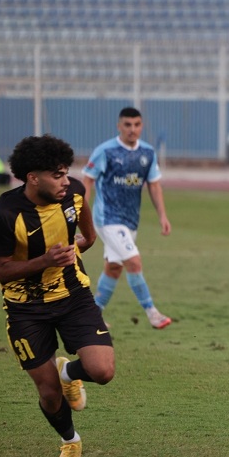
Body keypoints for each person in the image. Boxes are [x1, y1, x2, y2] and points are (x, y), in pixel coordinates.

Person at [0, 134, 115, 457]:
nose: (65, 180)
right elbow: (0, 271)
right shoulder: (4, 214)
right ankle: (70, 441)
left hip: (72, 294)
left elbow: (83, 216)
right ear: (33, 178)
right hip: (25, 307)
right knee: (47, 392)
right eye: (56, 175)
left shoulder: (72, 191)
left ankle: (68, 371)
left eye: (65, 172)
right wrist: (45, 260)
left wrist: (86, 240)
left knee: (103, 370)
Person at [83, 107, 172, 329]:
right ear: (119, 126)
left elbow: (154, 185)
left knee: (114, 267)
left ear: (141, 126)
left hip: (130, 220)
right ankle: (152, 313)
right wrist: (80, 211)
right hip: (107, 218)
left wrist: (162, 216)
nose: (132, 129)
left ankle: (93, 314)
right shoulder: (106, 151)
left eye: (137, 125)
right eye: (128, 125)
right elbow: (87, 179)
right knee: (133, 261)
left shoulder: (148, 153)